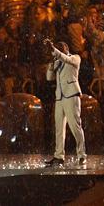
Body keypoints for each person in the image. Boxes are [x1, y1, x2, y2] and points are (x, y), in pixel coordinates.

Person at [43, 38, 86, 167]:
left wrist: (54, 51)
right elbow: (49, 78)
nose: (59, 48)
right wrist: (51, 63)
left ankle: (82, 154)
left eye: (61, 46)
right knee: (59, 128)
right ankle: (59, 156)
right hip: (60, 97)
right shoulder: (57, 61)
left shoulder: (75, 58)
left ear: (67, 48)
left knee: (75, 126)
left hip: (71, 95)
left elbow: (65, 59)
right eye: (57, 46)